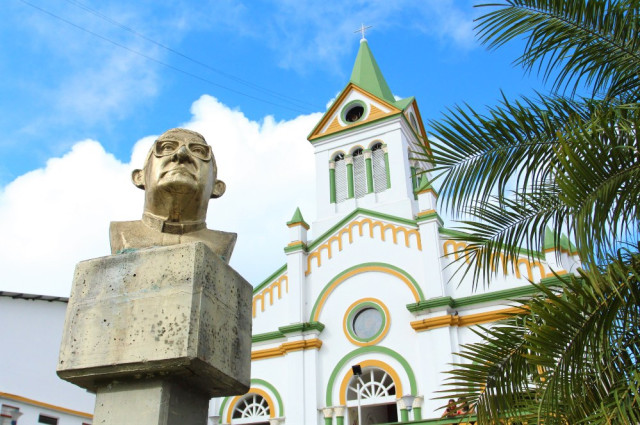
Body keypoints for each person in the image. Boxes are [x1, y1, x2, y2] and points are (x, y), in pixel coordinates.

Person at [110, 128, 236, 262]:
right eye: (167, 147)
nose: (182, 154)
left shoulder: (222, 243)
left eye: (198, 151)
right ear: (139, 177)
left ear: (217, 187)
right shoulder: (122, 232)